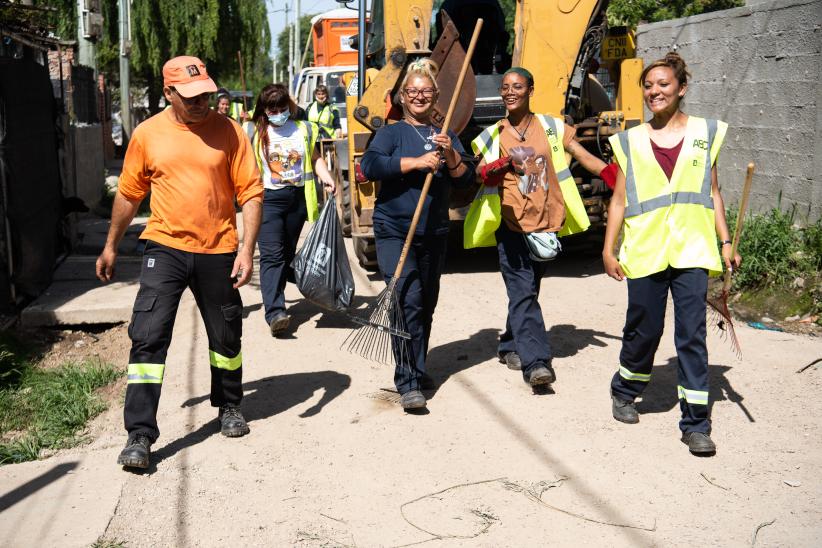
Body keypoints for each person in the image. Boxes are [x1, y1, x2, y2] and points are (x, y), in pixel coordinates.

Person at [95, 56, 262, 470]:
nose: (200, 101)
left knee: (226, 336)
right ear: (169, 93)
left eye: (205, 93)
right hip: (164, 247)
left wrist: (246, 248)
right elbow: (130, 194)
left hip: (218, 247)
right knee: (149, 335)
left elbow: (252, 193)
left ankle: (228, 407)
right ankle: (139, 433)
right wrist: (111, 245)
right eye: (190, 96)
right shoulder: (149, 134)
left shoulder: (230, 132)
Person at [602, 52, 739, 455]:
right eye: (648, 86)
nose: (654, 92)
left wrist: (726, 241)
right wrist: (609, 250)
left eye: (662, 84)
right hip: (645, 248)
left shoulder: (705, 132)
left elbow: (712, 192)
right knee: (644, 328)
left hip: (693, 247)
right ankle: (625, 388)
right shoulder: (629, 140)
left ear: (681, 88)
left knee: (691, 334)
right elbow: (619, 200)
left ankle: (695, 423)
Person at [471, 67, 612, 387]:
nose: (509, 92)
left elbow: (582, 155)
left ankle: (509, 344)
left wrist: (612, 176)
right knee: (522, 291)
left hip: (546, 222)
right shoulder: (493, 134)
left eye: (517, 86)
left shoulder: (551, 127)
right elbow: (479, 173)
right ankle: (536, 363)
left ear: (530, 90)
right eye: (505, 87)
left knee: (528, 291)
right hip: (511, 223)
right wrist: (498, 167)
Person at [360, 58, 475, 410]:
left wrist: (452, 156)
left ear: (437, 96)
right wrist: (415, 164)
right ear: (402, 97)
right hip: (395, 229)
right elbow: (370, 166)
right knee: (405, 298)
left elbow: (468, 181)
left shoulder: (447, 136)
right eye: (413, 91)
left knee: (426, 303)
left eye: (426, 91)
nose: (419, 96)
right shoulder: (390, 133)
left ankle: (418, 365)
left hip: (434, 230)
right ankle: (408, 380)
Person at [250, 83, 336, 336]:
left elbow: (315, 157)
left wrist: (326, 177)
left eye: (281, 106)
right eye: (272, 108)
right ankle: (275, 312)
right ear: (264, 110)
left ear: (289, 105)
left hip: (297, 200)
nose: (277, 111)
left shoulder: (304, 129)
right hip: (269, 201)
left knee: (286, 255)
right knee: (272, 256)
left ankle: (301, 279)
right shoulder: (255, 132)